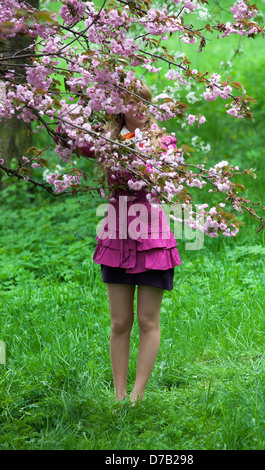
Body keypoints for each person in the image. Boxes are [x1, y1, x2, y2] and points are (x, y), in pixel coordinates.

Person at [59, 82, 182, 404]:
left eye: (145, 103)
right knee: (120, 322)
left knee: (147, 320)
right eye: (132, 103)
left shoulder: (164, 141)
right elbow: (68, 136)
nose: (140, 109)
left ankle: (137, 398)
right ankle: (119, 397)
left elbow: (170, 175)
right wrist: (76, 99)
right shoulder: (105, 140)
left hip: (153, 236)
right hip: (116, 234)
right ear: (119, 108)